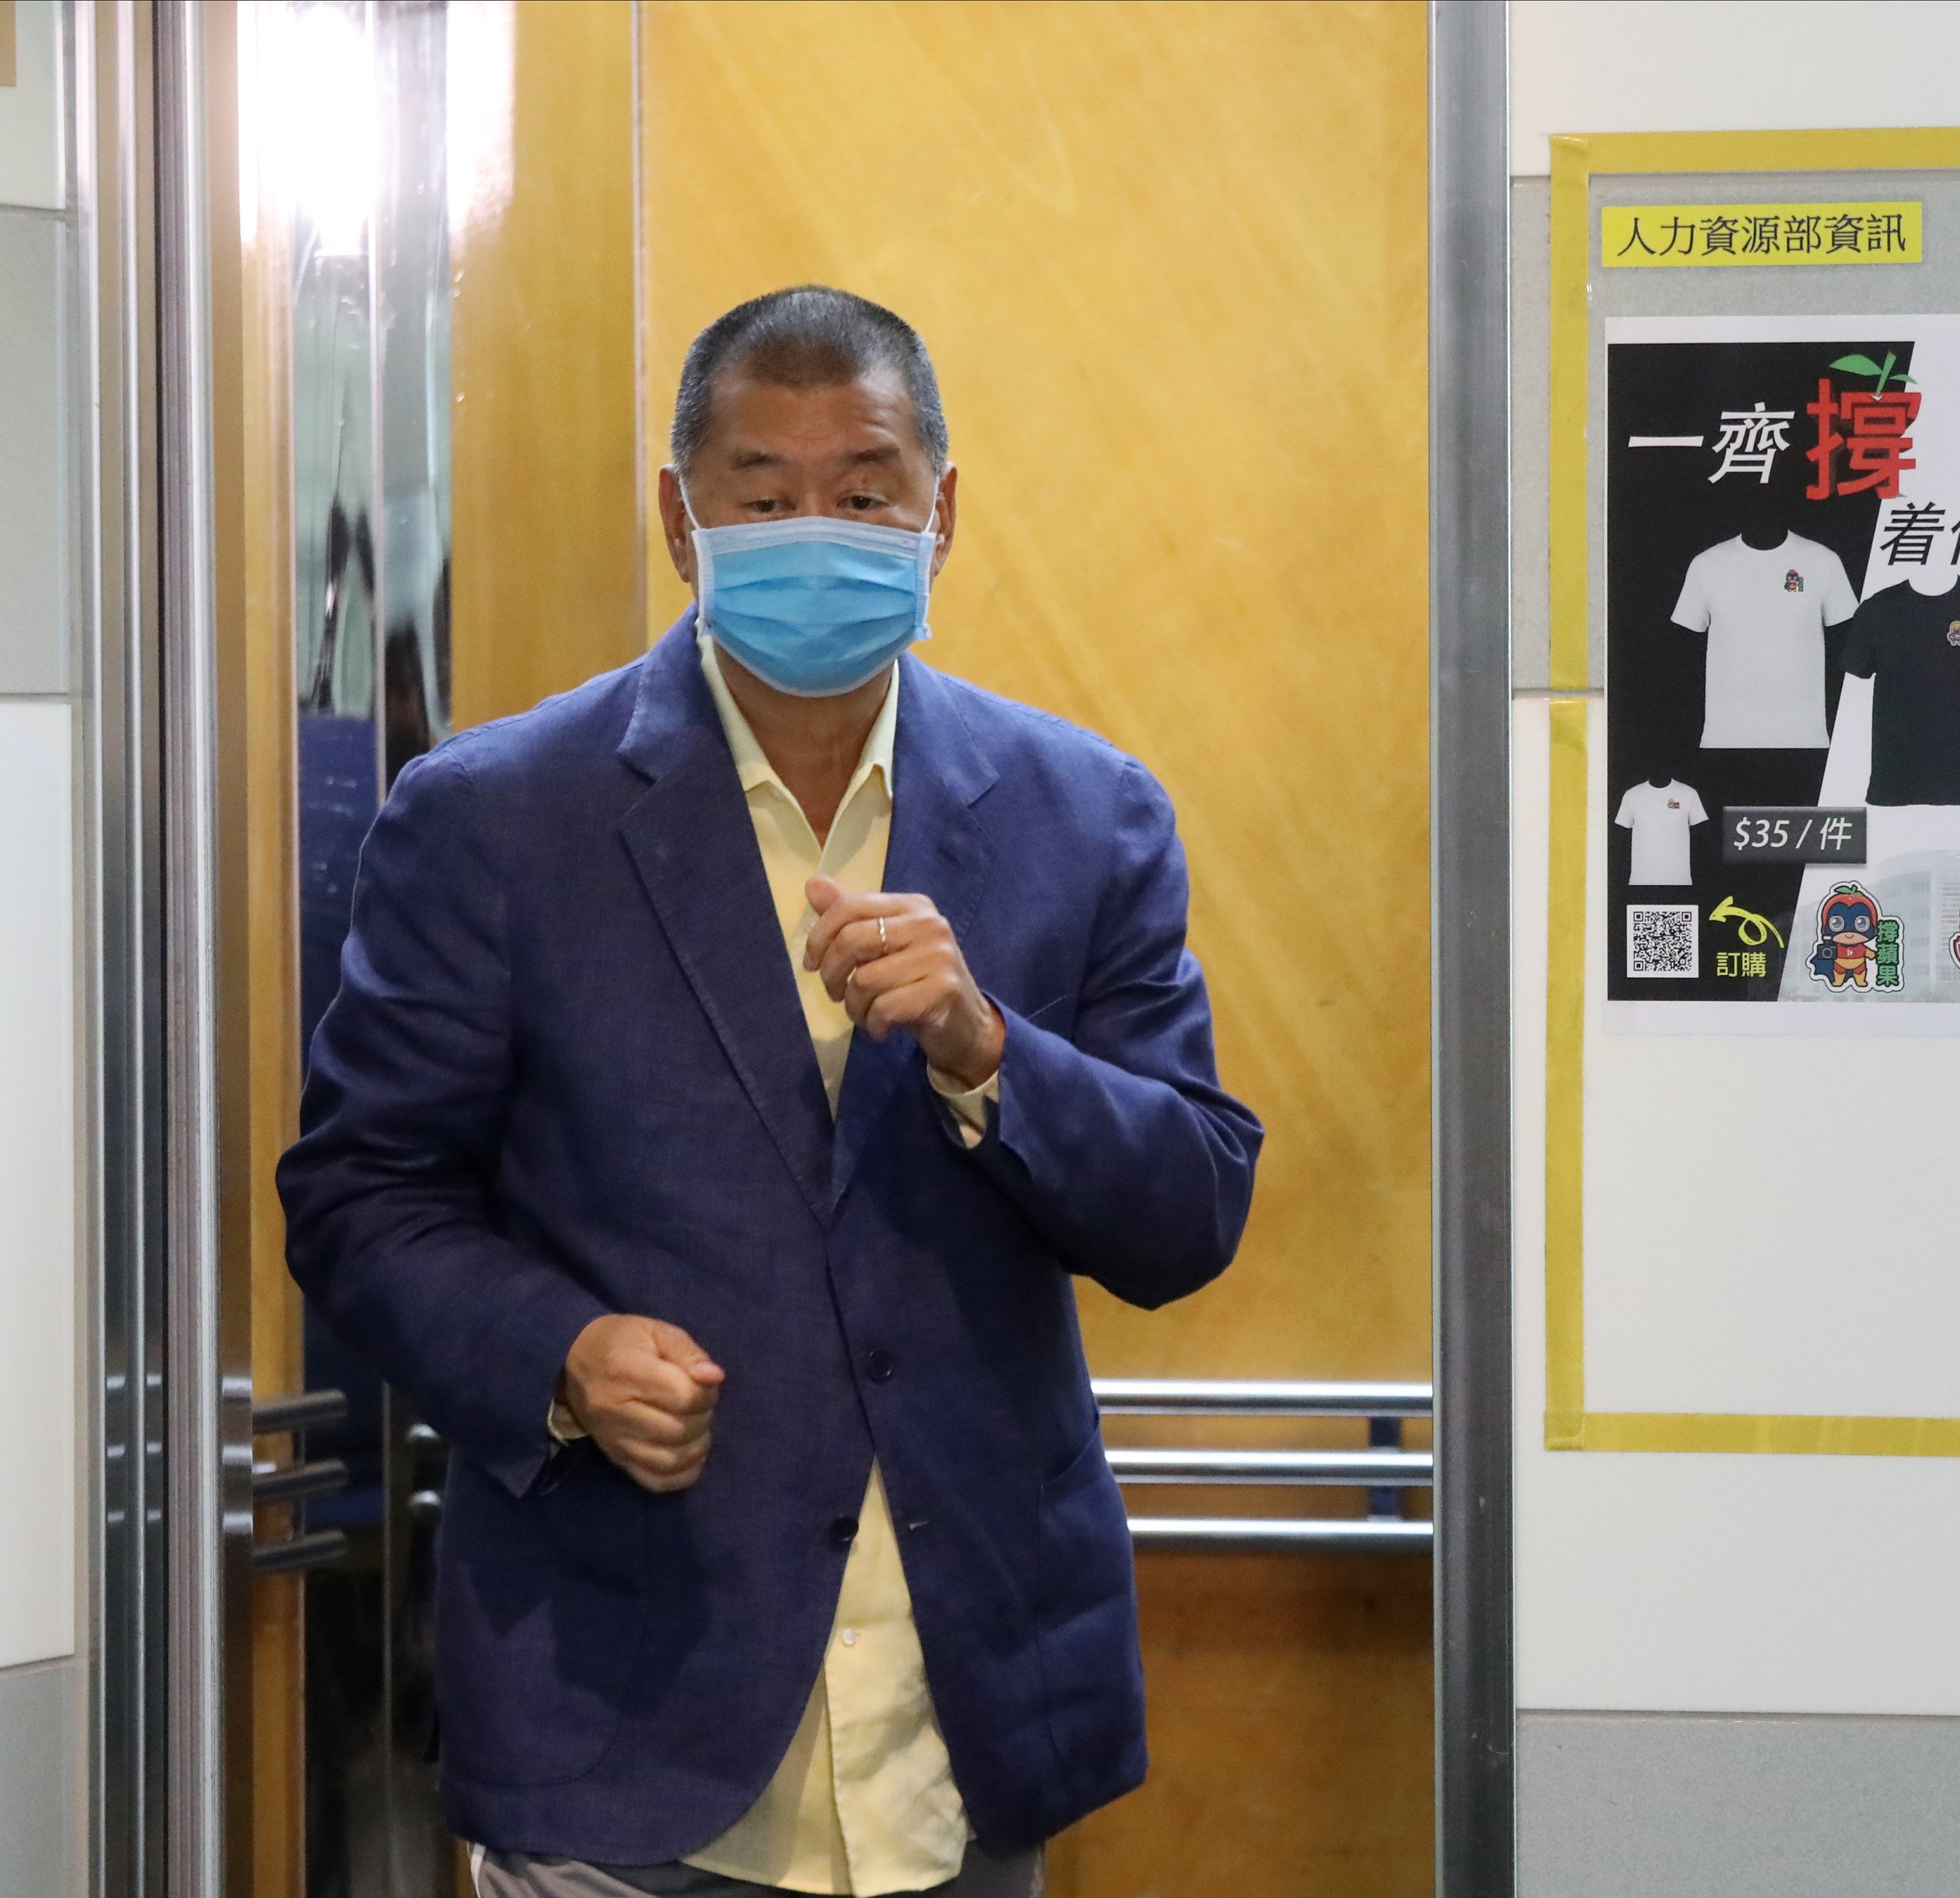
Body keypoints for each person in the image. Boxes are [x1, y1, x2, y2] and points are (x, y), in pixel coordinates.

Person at [280, 286, 1264, 1898]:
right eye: (762, 492)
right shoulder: (494, 820)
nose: (819, 527)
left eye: (866, 490)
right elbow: (359, 1196)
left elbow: (1189, 1207)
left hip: (960, 1731)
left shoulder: (1087, 816)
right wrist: (561, 1354)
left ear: (941, 514)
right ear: (682, 520)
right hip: (619, 1711)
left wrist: (988, 1052)